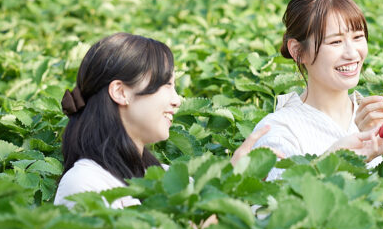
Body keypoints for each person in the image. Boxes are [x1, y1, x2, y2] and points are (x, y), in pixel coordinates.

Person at [55, 32, 269, 209]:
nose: (177, 100)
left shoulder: (165, 177)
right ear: (121, 92)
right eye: (166, 84)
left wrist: (235, 179)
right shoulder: (83, 184)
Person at [252, 0, 383, 180]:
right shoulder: (278, 133)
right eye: (335, 42)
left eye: (358, 37)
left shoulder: (378, 121)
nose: (352, 53)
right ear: (298, 51)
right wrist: (335, 161)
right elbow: (276, 205)